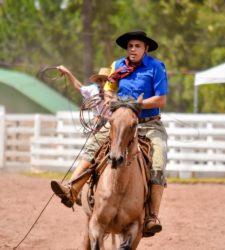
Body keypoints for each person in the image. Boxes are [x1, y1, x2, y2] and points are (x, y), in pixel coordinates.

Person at [51, 31, 168, 235]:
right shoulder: (117, 66)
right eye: (130, 46)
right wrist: (110, 99)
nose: (133, 49)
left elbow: (161, 100)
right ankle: (73, 189)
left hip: (149, 124)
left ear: (146, 48)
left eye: (137, 46)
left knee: (158, 160)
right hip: (120, 121)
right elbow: (109, 90)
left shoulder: (156, 67)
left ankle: (152, 215)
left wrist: (135, 105)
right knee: (94, 144)